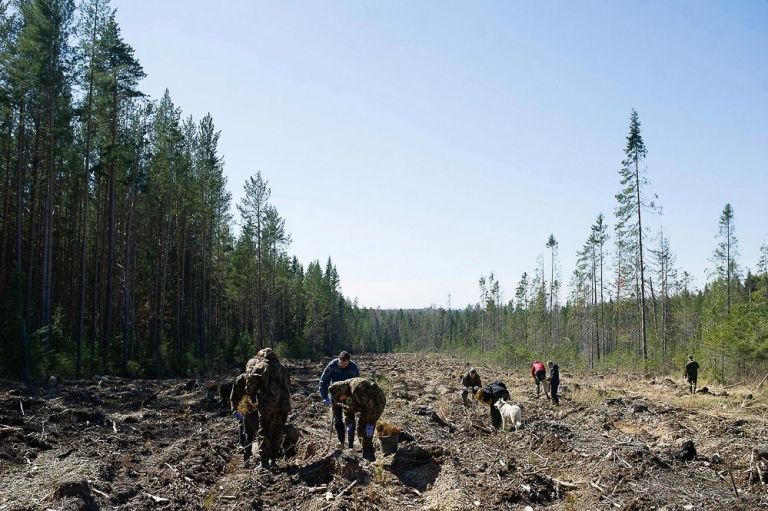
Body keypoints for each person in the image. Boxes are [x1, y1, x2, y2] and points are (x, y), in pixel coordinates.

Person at [232, 348, 291, 469]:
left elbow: (249, 388)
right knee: (277, 432)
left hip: (266, 406)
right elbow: (288, 386)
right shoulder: (283, 368)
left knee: (263, 432)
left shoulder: (261, 367)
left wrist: (252, 399)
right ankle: (272, 460)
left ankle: (264, 463)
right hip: (283, 406)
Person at [328, 377, 386, 461]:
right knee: (360, 428)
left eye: (340, 397)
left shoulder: (357, 388)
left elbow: (371, 407)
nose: (341, 399)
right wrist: (350, 429)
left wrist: (369, 425)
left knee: (365, 428)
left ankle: (369, 454)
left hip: (376, 402)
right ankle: (363, 449)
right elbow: (348, 413)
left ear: (342, 390)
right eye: (339, 399)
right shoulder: (344, 394)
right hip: (364, 404)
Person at [319, 351, 360, 448]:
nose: (342, 365)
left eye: (345, 364)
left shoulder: (354, 368)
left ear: (349, 361)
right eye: (340, 363)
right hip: (336, 396)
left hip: (349, 397)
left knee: (350, 420)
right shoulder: (332, 365)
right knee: (338, 420)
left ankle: (350, 444)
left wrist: (357, 400)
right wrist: (325, 396)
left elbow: (358, 384)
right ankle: (341, 442)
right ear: (338, 359)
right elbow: (323, 381)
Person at [230, 352, 263, 465]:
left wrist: (236, 410)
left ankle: (246, 455)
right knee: (258, 431)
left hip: (245, 406)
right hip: (253, 406)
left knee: (247, 432)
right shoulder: (259, 378)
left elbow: (233, 397)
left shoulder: (240, 379)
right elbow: (234, 397)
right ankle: (258, 456)